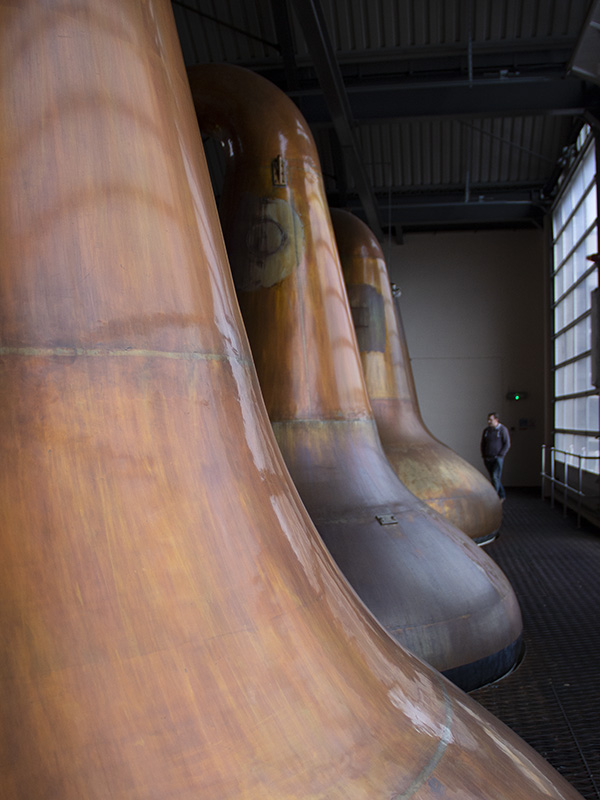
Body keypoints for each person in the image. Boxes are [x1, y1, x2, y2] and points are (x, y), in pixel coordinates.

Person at [481, 412, 510, 502]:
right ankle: (502, 495)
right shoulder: (486, 431)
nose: (489, 421)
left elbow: (507, 444)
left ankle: (494, 498)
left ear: (496, 420)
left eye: (491, 419)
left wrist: (500, 455)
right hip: (488, 458)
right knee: (495, 478)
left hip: (497, 458)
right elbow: (483, 444)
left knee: (495, 477)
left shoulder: (502, 430)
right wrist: (484, 455)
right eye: (488, 420)